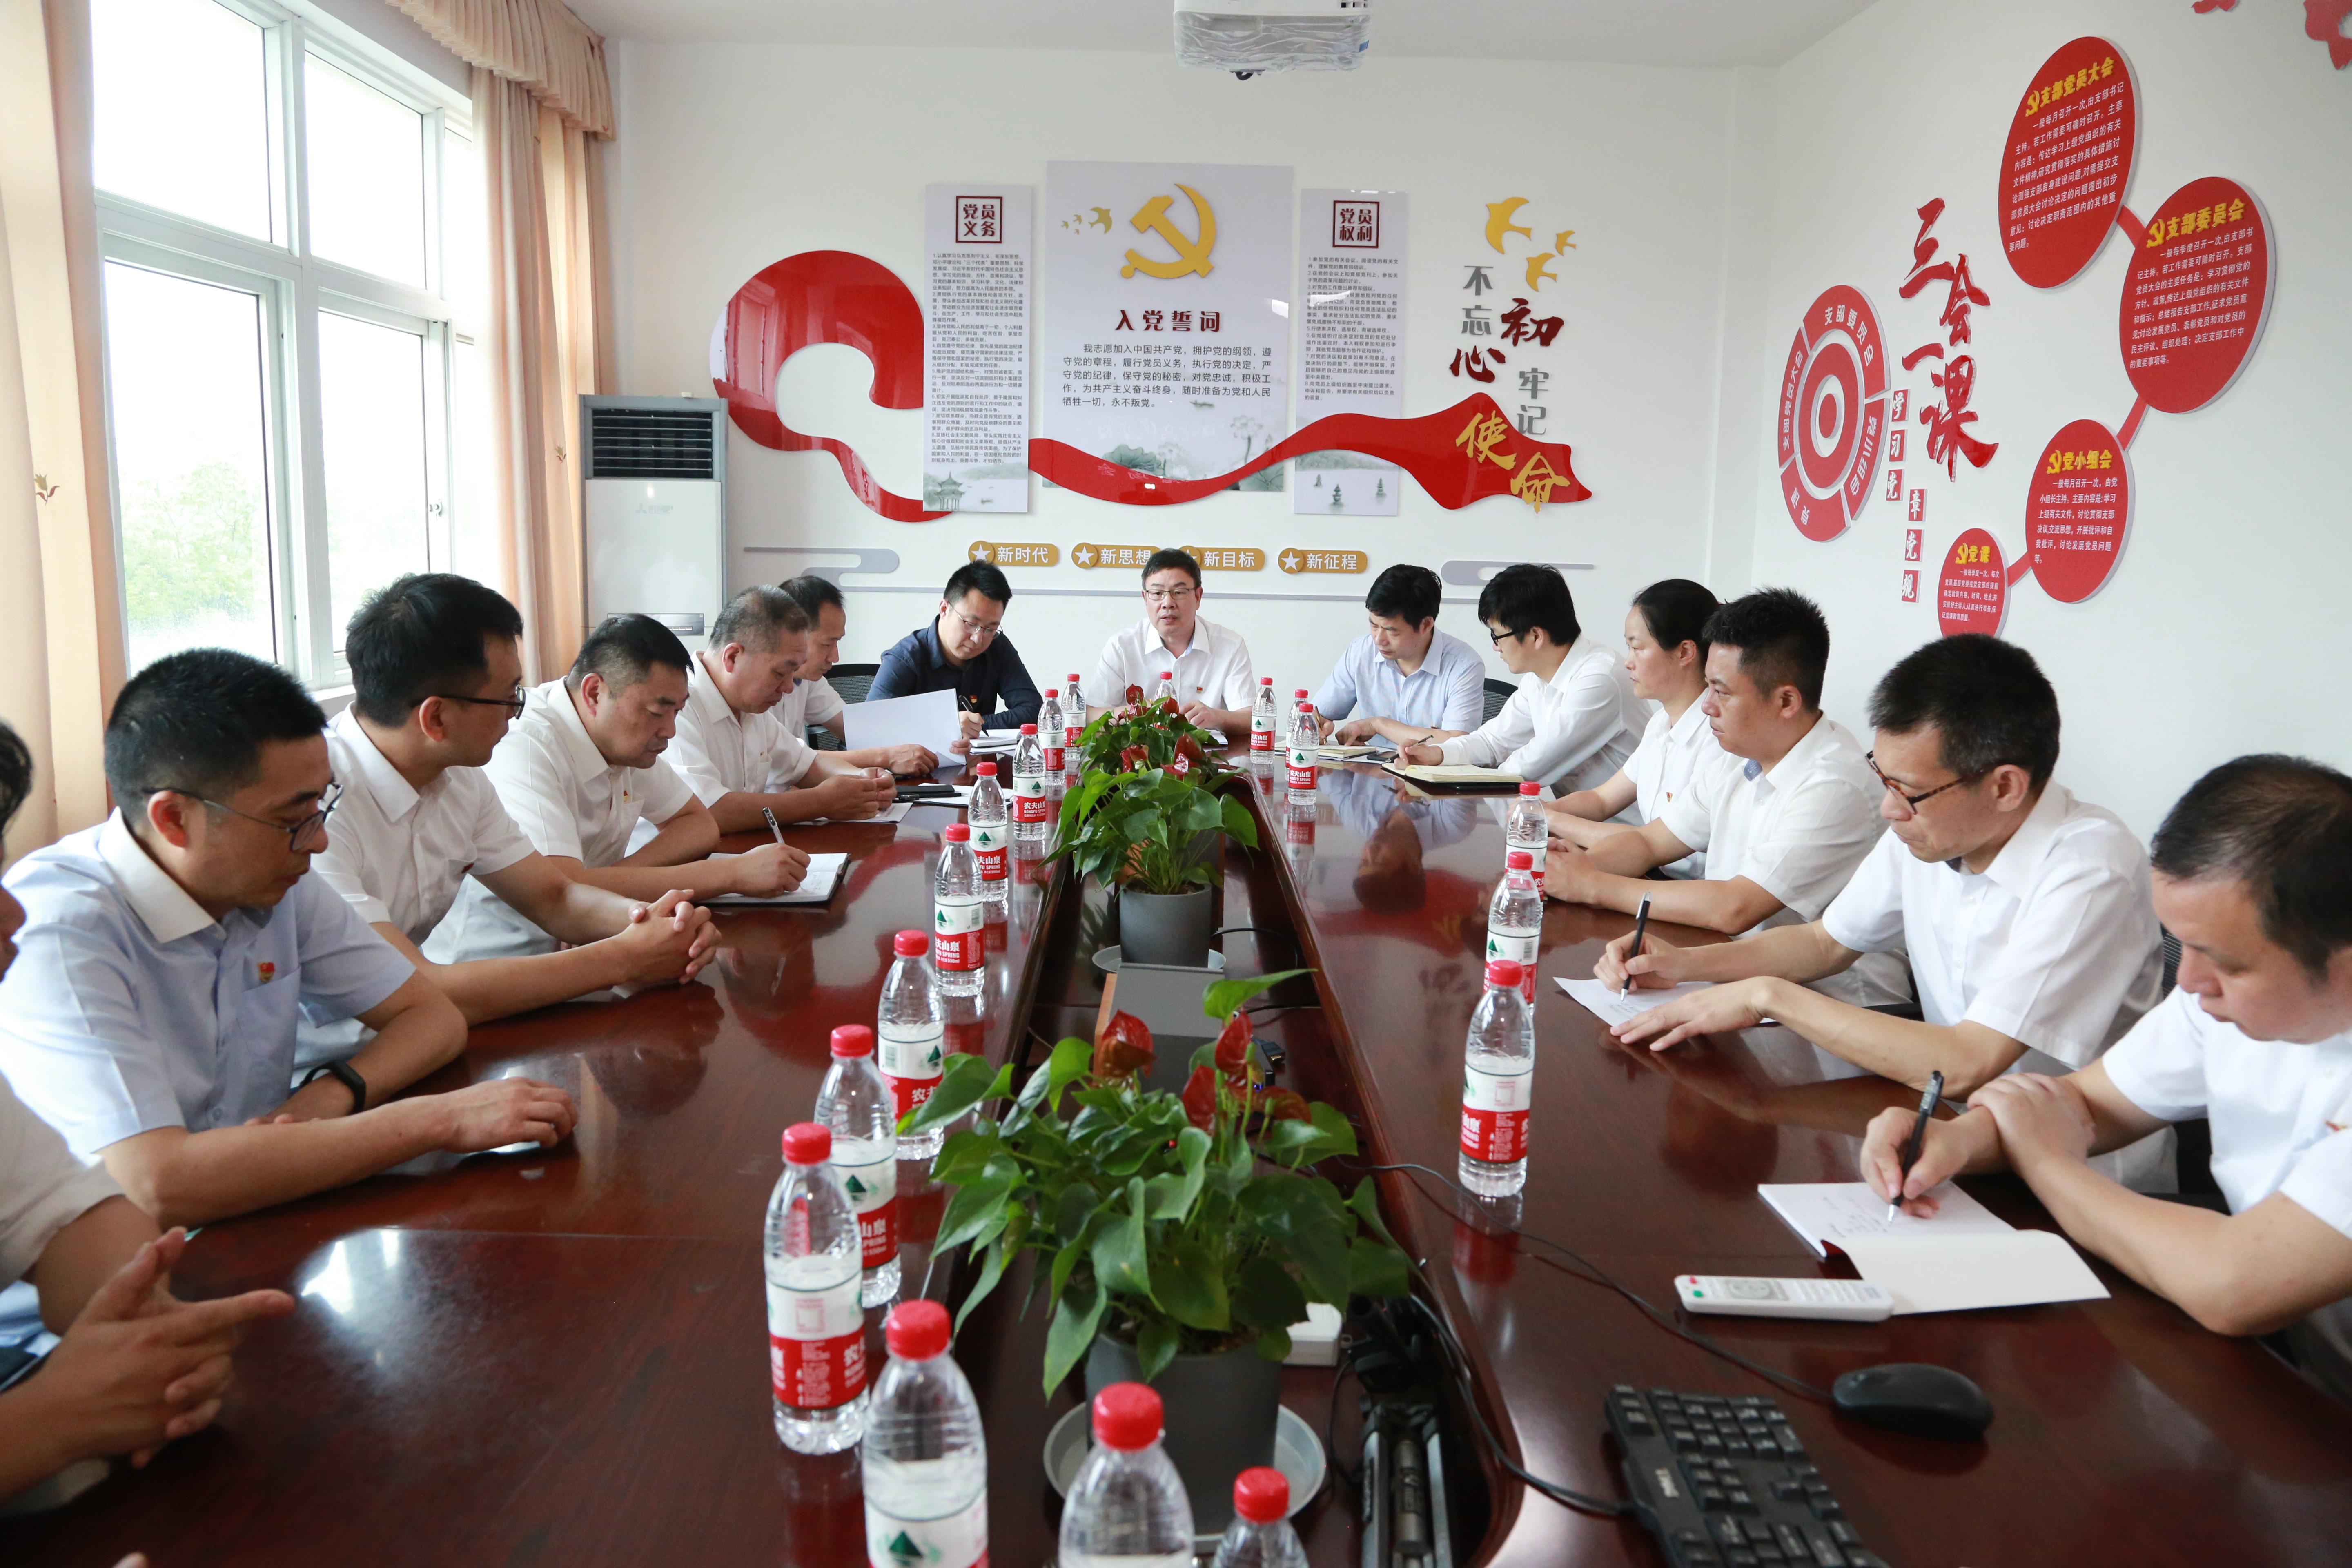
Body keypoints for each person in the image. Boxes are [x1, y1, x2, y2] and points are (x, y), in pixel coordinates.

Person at [0, 650, 578, 1237]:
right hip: (114, 1267)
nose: (319, 841)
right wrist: (437, 1122)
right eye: (292, 818)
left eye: (321, 806)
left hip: (263, 1214)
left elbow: (432, 1017)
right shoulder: (60, 927)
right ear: (174, 819)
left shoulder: (275, 878)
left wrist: (327, 1100)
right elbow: (158, 1184)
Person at [1860, 756, 2352, 1403]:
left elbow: (2234, 1285)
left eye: (2226, 963)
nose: (2188, 981)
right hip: (2297, 1374)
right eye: (2183, 944)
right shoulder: (2220, 1004)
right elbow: (2082, 1103)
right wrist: (1956, 1142)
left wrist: (2049, 1164)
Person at [1602, 635, 2163, 1113]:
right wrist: (1681, 965)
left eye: (1909, 792)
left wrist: (1766, 996)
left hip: (2064, 1168)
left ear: (2005, 787)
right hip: (1937, 1119)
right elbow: (1826, 943)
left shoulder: (2091, 870)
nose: (1890, 809)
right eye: (1884, 778)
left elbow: (1970, 1061)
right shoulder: (1926, 829)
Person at [0, 720, 296, 1503]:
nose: (12, 918)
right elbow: (157, 1179)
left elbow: (73, 1215)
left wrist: (150, 1341)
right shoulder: (69, 913)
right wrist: (51, 1420)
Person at [312, 573, 719, 1027]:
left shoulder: (460, 778)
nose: (515, 714)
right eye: (508, 698)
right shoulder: (313, 806)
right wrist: (626, 957)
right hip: (335, 1055)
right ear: (437, 718)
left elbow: (555, 897)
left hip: (429, 1033)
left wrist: (654, 921)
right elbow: (416, 988)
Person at [1542, 588, 1907, 1007]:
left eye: (1722, 692)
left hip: (1833, 1008)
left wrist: (1593, 886)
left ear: (1786, 701)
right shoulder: (1739, 755)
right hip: (1739, 974)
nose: (1707, 707)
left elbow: (1737, 907)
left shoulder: (1834, 784)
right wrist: (1565, 871)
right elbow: (1648, 842)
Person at [430, 614, 810, 962]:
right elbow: (561, 886)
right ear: (595, 693)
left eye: (677, 712)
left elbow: (698, 824)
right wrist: (731, 875)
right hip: (502, 962)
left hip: (593, 941)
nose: (670, 731)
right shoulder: (526, 744)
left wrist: (607, 892)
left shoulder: (622, 738)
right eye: (657, 712)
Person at [1394, 563, 1641, 795]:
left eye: (1497, 636)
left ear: (1535, 636)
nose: (1496, 647)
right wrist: (1436, 754)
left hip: (1623, 825)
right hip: (1574, 820)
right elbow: (1493, 741)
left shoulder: (1599, 679)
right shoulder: (1539, 678)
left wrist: (1452, 777)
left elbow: (1531, 766)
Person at [670, 586, 894, 831]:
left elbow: (806, 765)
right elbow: (708, 811)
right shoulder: (677, 706)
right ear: (733, 657)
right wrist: (819, 802)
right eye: (779, 673)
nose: (789, 688)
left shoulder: (749, 707)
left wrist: (864, 783)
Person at [1546, 578, 1722, 875]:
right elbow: (1602, 800)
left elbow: (1652, 842)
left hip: (1687, 889)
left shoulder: (1717, 736)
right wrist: (1542, 810)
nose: (1628, 662)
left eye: (1637, 648)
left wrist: (1550, 820)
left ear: (1684, 653)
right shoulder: (1660, 723)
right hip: (1651, 873)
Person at [775, 575, 939, 777]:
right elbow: (790, 758)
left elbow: (859, 732)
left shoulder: (808, 680)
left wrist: (944, 732)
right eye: (827, 644)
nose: (835, 657)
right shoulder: (756, 691)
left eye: (838, 642)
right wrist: (885, 757)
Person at [869, 561, 1043, 751]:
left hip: (978, 766)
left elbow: (1033, 710)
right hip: (918, 767)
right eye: (970, 624)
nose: (978, 638)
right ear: (944, 609)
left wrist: (976, 727)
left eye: (990, 629)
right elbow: (872, 728)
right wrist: (946, 725)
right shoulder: (904, 659)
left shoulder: (997, 646)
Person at [1309, 564, 1485, 751]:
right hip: (1372, 767)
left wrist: (1378, 725)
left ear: (1426, 625)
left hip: (1431, 770)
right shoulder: (1361, 652)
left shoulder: (1464, 665)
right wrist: (1314, 724)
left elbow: (1457, 744)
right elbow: (1319, 713)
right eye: (1374, 626)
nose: (1379, 640)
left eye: (1391, 631)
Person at [1085, 549, 1257, 739]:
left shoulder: (1230, 646)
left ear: (1198, 597)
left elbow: (1251, 718)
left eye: (1179, 593)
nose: (1168, 603)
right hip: (1139, 754)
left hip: (1209, 755)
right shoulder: (1122, 646)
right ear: (1145, 598)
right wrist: (1132, 712)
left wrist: (1216, 717)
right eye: (1157, 593)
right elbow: (1091, 715)